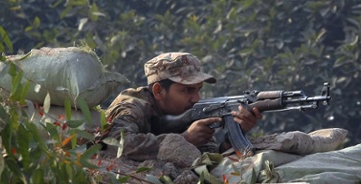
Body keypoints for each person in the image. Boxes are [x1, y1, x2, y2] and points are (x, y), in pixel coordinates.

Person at [100, 52, 262, 161]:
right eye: (187, 90)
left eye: (199, 90)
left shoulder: (184, 112)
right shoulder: (132, 107)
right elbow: (117, 145)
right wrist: (184, 139)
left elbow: (208, 156)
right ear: (158, 91)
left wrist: (232, 138)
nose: (196, 98)